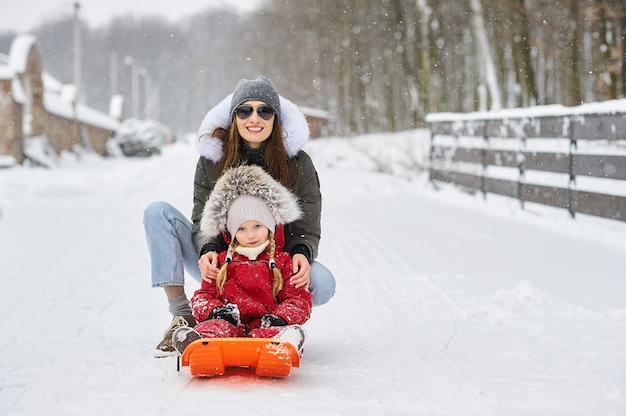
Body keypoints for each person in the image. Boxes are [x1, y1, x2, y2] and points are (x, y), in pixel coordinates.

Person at [144, 76, 335, 357]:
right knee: (157, 213)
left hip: (273, 267)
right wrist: (208, 249)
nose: (254, 118)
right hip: (223, 267)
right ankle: (183, 317)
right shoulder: (212, 160)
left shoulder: (298, 163)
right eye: (245, 110)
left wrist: (302, 253)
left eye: (264, 110)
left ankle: (273, 319)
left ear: (275, 118)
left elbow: (307, 222)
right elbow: (202, 217)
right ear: (234, 117)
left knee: (323, 282)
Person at [172, 165, 311, 355]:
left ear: (270, 226)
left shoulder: (283, 261)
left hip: (266, 324)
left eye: (257, 226)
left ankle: (282, 346)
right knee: (215, 328)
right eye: (241, 229)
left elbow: (298, 299)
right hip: (230, 324)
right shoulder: (221, 262)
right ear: (231, 232)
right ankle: (198, 346)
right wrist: (216, 312)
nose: (251, 235)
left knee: (275, 334)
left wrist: (281, 318)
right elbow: (203, 296)